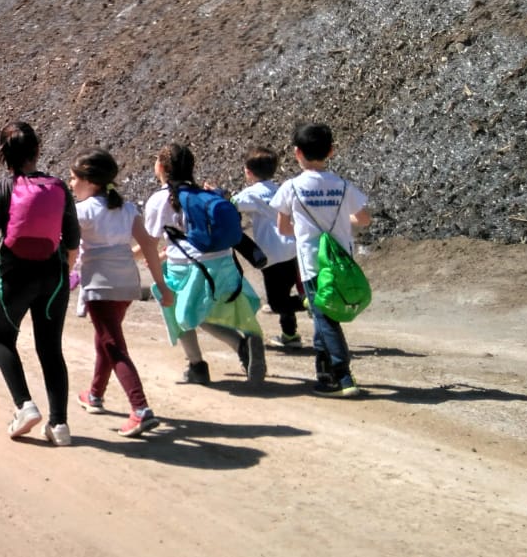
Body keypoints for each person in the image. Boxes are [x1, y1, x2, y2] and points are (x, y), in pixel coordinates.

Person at [0, 121, 80, 444]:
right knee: (51, 348)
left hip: (15, 276)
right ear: (37, 149)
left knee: (3, 338)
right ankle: (59, 425)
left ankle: (25, 406)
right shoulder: (59, 187)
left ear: (3, 154)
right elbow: (72, 244)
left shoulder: (2, 189)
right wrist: (62, 275)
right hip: (53, 277)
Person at [70, 150, 175, 437]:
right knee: (106, 338)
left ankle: (140, 409)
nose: (71, 184)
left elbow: (69, 250)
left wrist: (63, 277)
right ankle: (95, 394)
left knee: (113, 344)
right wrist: (161, 285)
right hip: (127, 284)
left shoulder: (82, 211)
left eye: (74, 178)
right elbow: (149, 247)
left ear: (90, 181)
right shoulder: (127, 209)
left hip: (99, 285)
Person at [144, 143, 266, 388]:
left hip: (188, 269)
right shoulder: (204, 194)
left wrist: (125, 256)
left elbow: (149, 242)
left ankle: (200, 364)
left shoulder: (159, 200)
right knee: (205, 312)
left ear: (163, 167)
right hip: (224, 262)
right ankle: (243, 345)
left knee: (182, 314)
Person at [271, 123, 372, 396]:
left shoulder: (291, 187)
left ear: (297, 153)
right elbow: (364, 219)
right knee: (321, 315)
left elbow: (283, 228)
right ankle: (324, 374)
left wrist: (306, 229)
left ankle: (342, 376)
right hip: (340, 262)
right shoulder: (343, 185)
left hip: (312, 263)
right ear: (331, 151)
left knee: (325, 317)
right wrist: (341, 223)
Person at [234, 145, 302, 347]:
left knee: (277, 303)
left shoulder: (251, 194)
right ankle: (290, 335)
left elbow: (231, 204)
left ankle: (310, 303)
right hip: (292, 249)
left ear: (248, 171)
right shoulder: (279, 189)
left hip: (272, 254)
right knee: (285, 296)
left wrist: (216, 193)